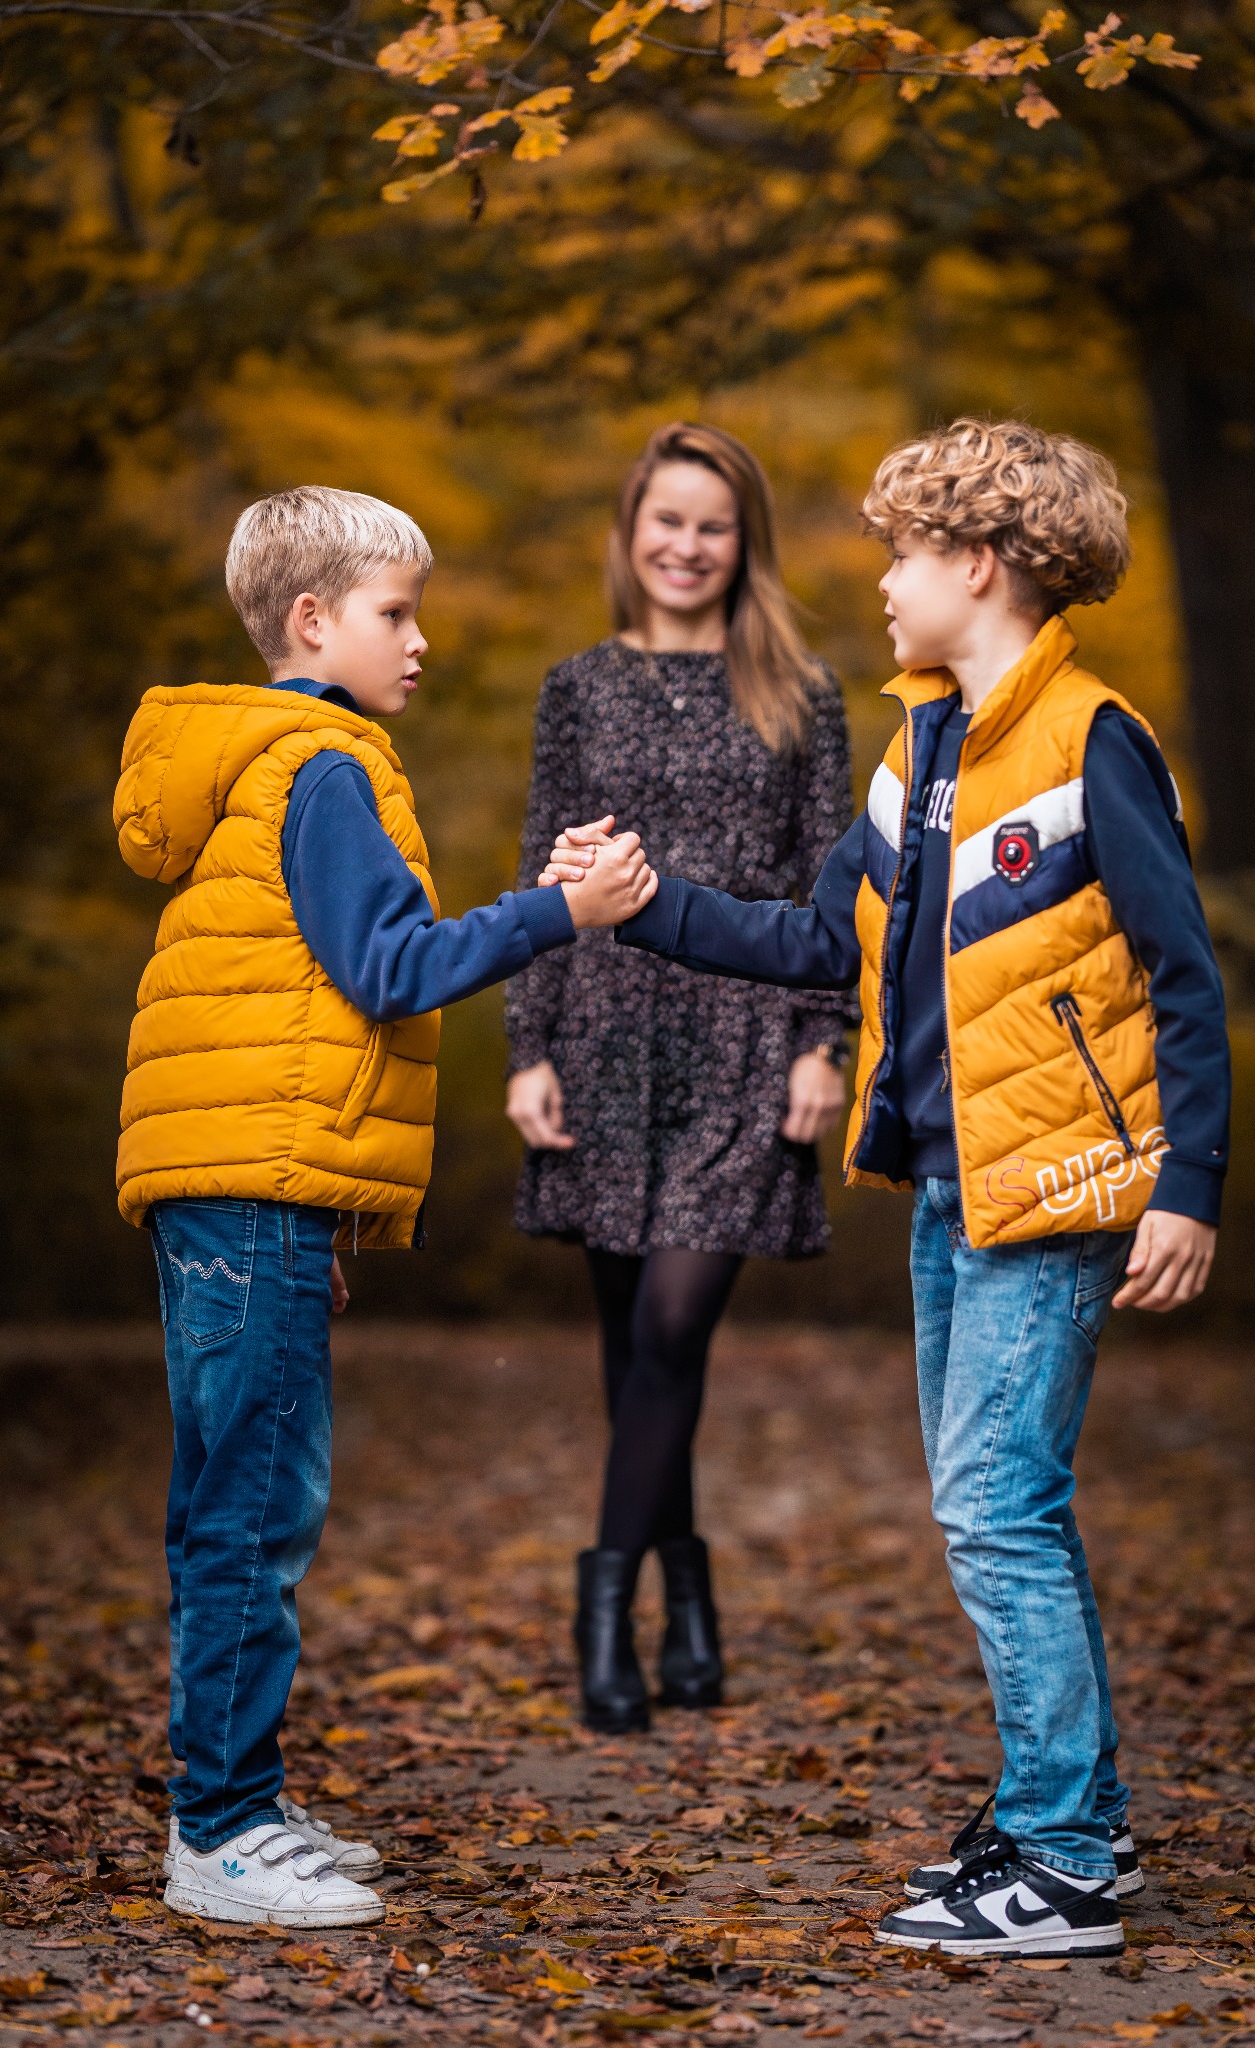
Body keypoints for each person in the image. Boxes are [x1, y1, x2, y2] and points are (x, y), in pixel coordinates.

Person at [541, 420, 1229, 1959]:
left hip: (1056, 1186)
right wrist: (651, 909)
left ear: (976, 566)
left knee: (1000, 1512)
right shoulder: (923, 755)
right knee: (988, 1507)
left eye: (903, 558)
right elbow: (817, 942)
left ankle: (1059, 1855)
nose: (886, 588)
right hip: (949, 1190)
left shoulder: (1087, 744)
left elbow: (1184, 976)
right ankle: (1076, 1814)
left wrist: (1189, 1183)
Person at [113, 486, 654, 1929]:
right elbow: (390, 969)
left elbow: (297, 992)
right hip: (248, 1187)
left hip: (229, 1183)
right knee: (254, 1506)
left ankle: (241, 1798)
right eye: (395, 614)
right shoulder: (326, 765)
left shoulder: (255, 762)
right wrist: (562, 914)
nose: (420, 643)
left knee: (236, 1490)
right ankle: (219, 1829)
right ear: (312, 622)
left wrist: (321, 1219)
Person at [505, 422, 859, 1734]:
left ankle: (603, 1614)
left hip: (747, 1034)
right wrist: (527, 1046)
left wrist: (828, 1042)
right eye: (667, 519)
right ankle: (687, 1602)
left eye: (713, 525)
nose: (687, 546)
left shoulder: (800, 692)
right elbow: (548, 871)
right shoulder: (575, 688)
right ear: (631, 528)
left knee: (669, 1328)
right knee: (630, 1346)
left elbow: (836, 888)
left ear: (742, 541)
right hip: (601, 1031)